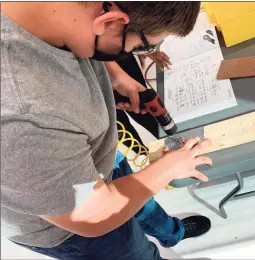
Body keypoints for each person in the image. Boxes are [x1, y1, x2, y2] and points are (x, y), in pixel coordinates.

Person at [1, 2, 213, 260]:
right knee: (137, 253)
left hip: (100, 160)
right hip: (73, 226)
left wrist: (114, 76)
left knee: (141, 200)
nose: (138, 52)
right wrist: (168, 168)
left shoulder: (56, 14)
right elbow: (93, 214)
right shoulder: (22, 114)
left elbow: (75, 33)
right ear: (110, 21)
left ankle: (170, 232)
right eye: (141, 47)